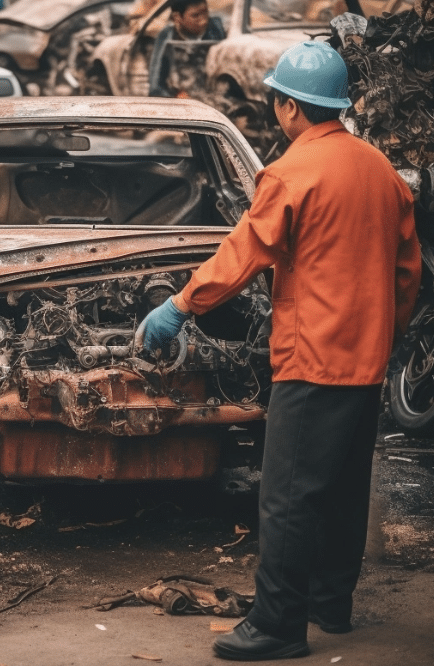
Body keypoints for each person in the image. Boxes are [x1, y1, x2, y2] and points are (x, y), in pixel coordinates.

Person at [139, 41, 421, 661]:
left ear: (290, 106)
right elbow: (407, 273)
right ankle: (330, 605)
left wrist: (182, 305)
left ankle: (277, 626)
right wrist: (384, 335)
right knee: (343, 487)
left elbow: (244, 252)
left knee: (288, 496)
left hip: (312, 358)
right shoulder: (380, 170)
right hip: (365, 363)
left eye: (276, 101)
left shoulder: (293, 172)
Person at [148, 0, 224, 98]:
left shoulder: (217, 28)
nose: (204, 20)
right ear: (177, 17)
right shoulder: (167, 37)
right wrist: (176, 97)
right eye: (195, 15)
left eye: (205, 12)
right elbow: (156, 85)